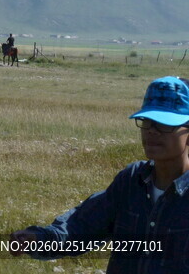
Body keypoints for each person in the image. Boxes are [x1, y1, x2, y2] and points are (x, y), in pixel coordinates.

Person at [10, 76, 189, 272]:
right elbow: (81, 227)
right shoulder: (131, 181)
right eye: (147, 121)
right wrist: (38, 239)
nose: (152, 131)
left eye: (165, 123)